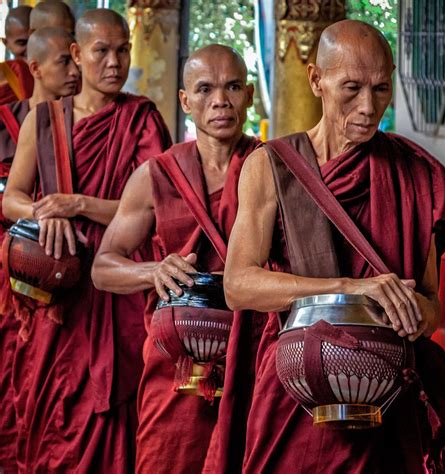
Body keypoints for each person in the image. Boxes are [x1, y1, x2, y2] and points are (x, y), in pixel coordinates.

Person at [224, 19, 445, 473]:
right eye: (351, 88)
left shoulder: (414, 175)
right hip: (295, 390)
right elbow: (238, 285)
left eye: (380, 88)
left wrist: (412, 313)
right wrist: (350, 290)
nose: (368, 107)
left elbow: (432, 309)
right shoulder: (270, 166)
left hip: (388, 396)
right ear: (316, 80)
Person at [2, 9, 171, 473]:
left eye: (122, 50)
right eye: (102, 51)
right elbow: (12, 198)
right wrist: (44, 212)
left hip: (116, 289)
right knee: (50, 404)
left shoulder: (141, 119)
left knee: (115, 412)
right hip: (55, 286)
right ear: (77, 53)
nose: (114, 62)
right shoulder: (44, 120)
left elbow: (155, 208)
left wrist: (78, 204)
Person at [92, 44, 265, 473]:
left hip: (251, 358)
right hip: (175, 365)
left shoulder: (272, 169)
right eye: (204, 89)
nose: (220, 100)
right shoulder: (157, 175)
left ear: (249, 96)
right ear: (185, 101)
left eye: (233, 87)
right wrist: (155, 269)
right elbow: (102, 266)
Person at [0, 26, 79, 473]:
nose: (75, 69)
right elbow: (12, 197)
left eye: (75, 57)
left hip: (87, 275)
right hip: (21, 267)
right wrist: (40, 213)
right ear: (34, 66)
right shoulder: (20, 118)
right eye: (63, 61)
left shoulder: (123, 118)